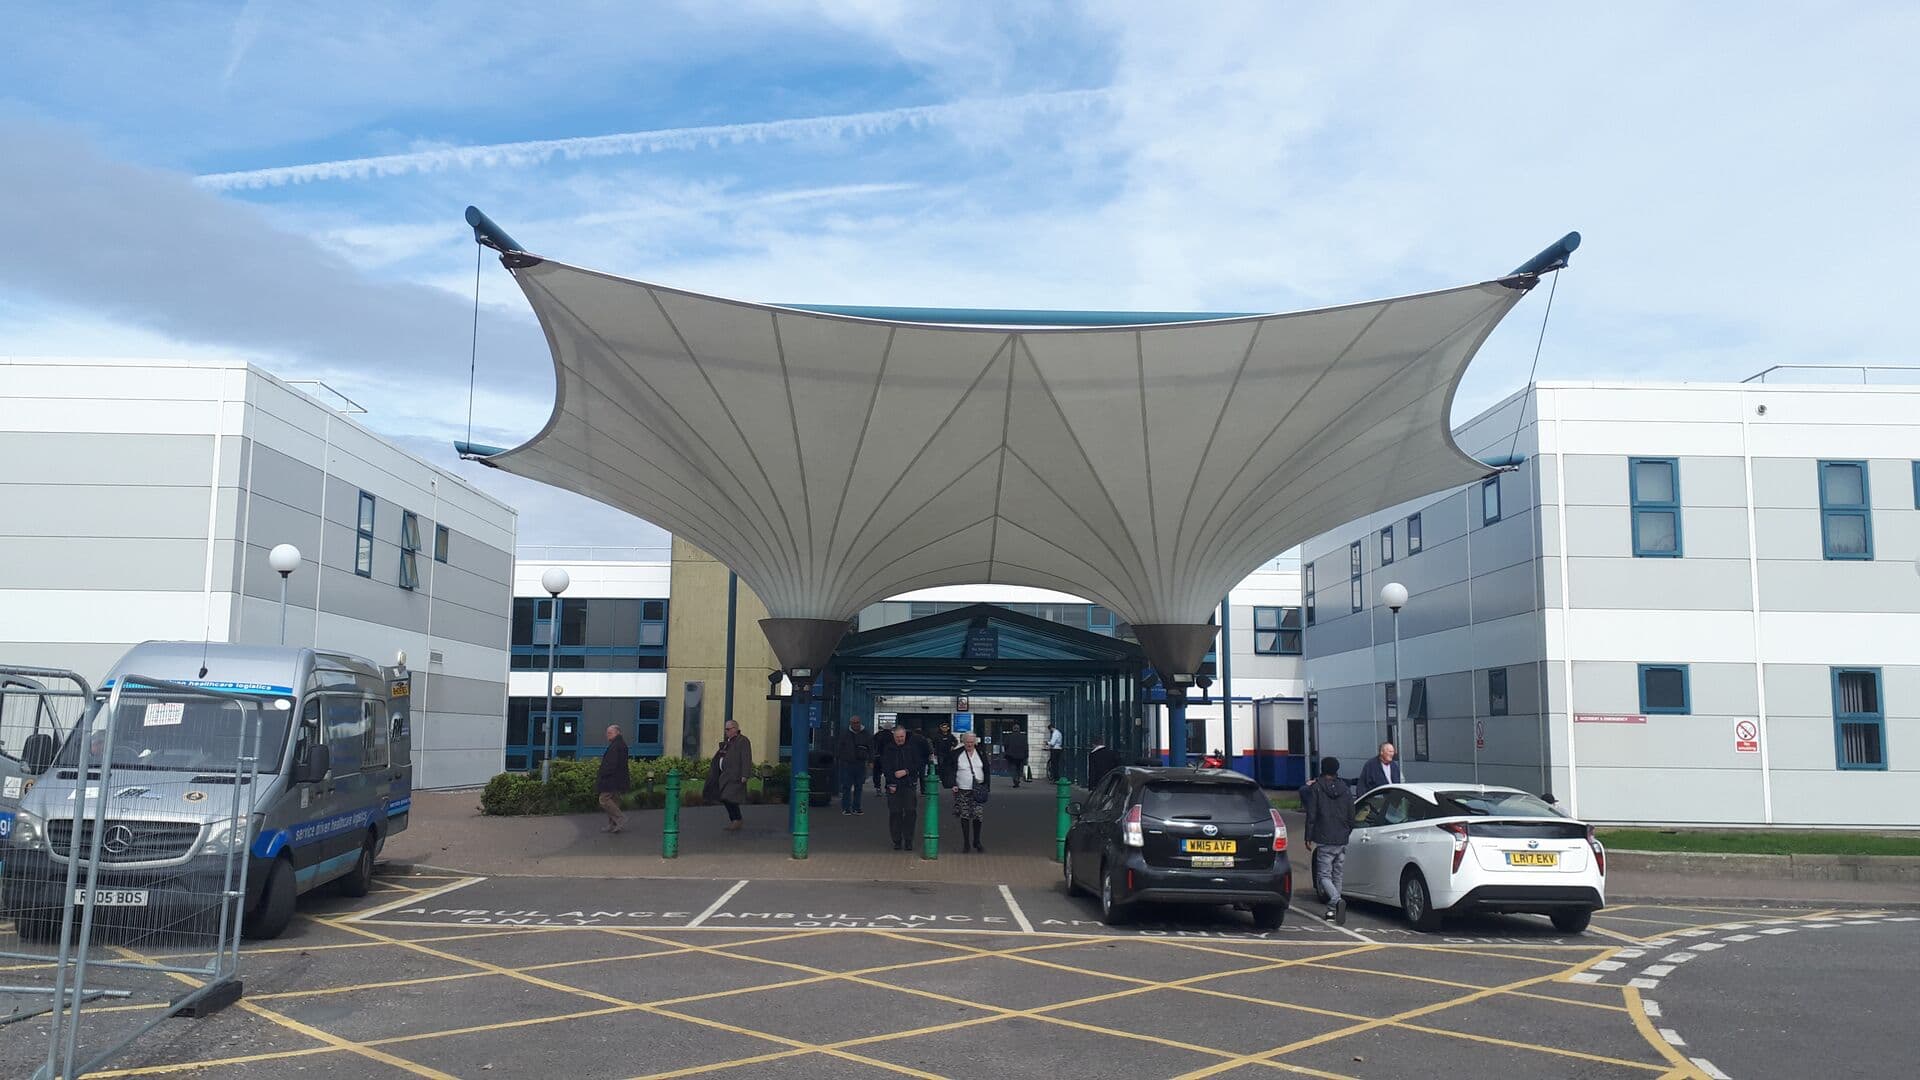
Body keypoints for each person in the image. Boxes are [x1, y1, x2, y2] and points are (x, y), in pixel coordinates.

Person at [1302, 755, 1354, 925]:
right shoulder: (1345, 788)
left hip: (1324, 837)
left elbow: (1312, 813)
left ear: (1322, 769)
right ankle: (1332, 911)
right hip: (1341, 838)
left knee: (1323, 876)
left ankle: (1336, 901)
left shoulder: (1316, 788)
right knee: (1337, 874)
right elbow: (1351, 813)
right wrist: (1347, 830)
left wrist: (1308, 836)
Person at [877, 723, 932, 850]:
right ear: (893, 736)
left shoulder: (912, 748)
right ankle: (896, 840)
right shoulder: (888, 749)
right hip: (893, 785)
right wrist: (891, 782)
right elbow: (885, 767)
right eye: (897, 737)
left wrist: (906, 771)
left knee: (910, 812)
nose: (900, 739)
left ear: (905, 735)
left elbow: (918, 764)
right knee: (895, 813)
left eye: (902, 737)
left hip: (909, 784)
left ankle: (908, 840)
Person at [944, 731, 990, 852]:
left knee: (978, 815)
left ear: (975, 742)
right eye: (967, 742)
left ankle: (977, 841)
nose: (969, 744)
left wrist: (986, 786)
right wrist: (952, 784)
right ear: (963, 742)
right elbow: (949, 769)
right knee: (965, 815)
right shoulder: (956, 754)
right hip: (963, 789)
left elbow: (986, 769)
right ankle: (966, 843)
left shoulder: (980, 752)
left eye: (971, 742)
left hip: (978, 789)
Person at [704, 719, 752, 831]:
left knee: (728, 797)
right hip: (725, 775)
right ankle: (736, 820)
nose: (726, 731)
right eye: (726, 729)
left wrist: (745, 774)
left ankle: (737, 819)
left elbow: (746, 758)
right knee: (725, 797)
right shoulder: (727, 742)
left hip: (735, 776)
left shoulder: (743, 741)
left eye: (728, 729)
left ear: (735, 729)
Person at [832, 715, 873, 816]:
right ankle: (846, 808)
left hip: (860, 763)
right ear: (850, 723)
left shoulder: (866, 734)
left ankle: (856, 807)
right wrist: (838, 758)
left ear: (860, 722)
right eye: (854, 723)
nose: (856, 724)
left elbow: (871, 748)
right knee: (846, 786)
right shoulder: (845, 734)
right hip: (847, 763)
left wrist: (871, 760)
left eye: (857, 722)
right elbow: (839, 747)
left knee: (859, 786)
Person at [596, 724, 630, 834]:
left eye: (610, 733)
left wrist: (603, 774)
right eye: (607, 733)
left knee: (604, 799)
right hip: (617, 779)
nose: (607, 735)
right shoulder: (619, 744)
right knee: (614, 800)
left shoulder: (616, 746)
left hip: (611, 779)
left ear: (618, 733)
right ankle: (613, 824)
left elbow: (612, 763)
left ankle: (620, 819)